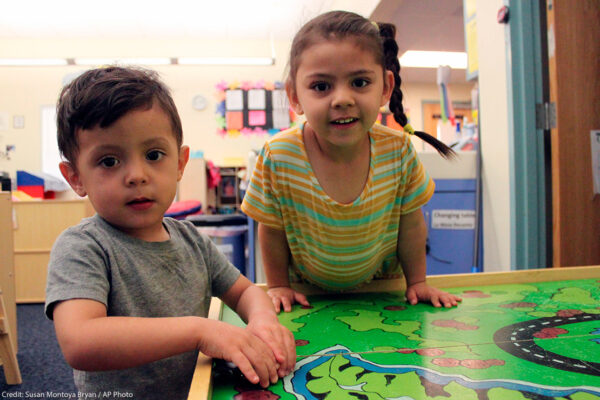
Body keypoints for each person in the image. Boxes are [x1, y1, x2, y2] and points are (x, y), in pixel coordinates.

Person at [45, 66, 295, 400]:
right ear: (75, 177)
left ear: (179, 163)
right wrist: (199, 331)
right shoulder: (83, 247)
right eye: (108, 161)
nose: (136, 175)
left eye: (153, 155)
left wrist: (263, 320)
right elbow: (80, 341)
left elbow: (245, 291)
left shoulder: (191, 240)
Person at [241, 11, 462, 313]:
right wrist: (278, 285)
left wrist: (417, 282)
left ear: (385, 87)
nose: (342, 99)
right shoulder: (278, 156)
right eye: (321, 87)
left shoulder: (397, 151)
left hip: (382, 293)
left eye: (359, 82)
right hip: (306, 297)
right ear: (294, 95)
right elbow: (272, 229)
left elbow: (410, 223)